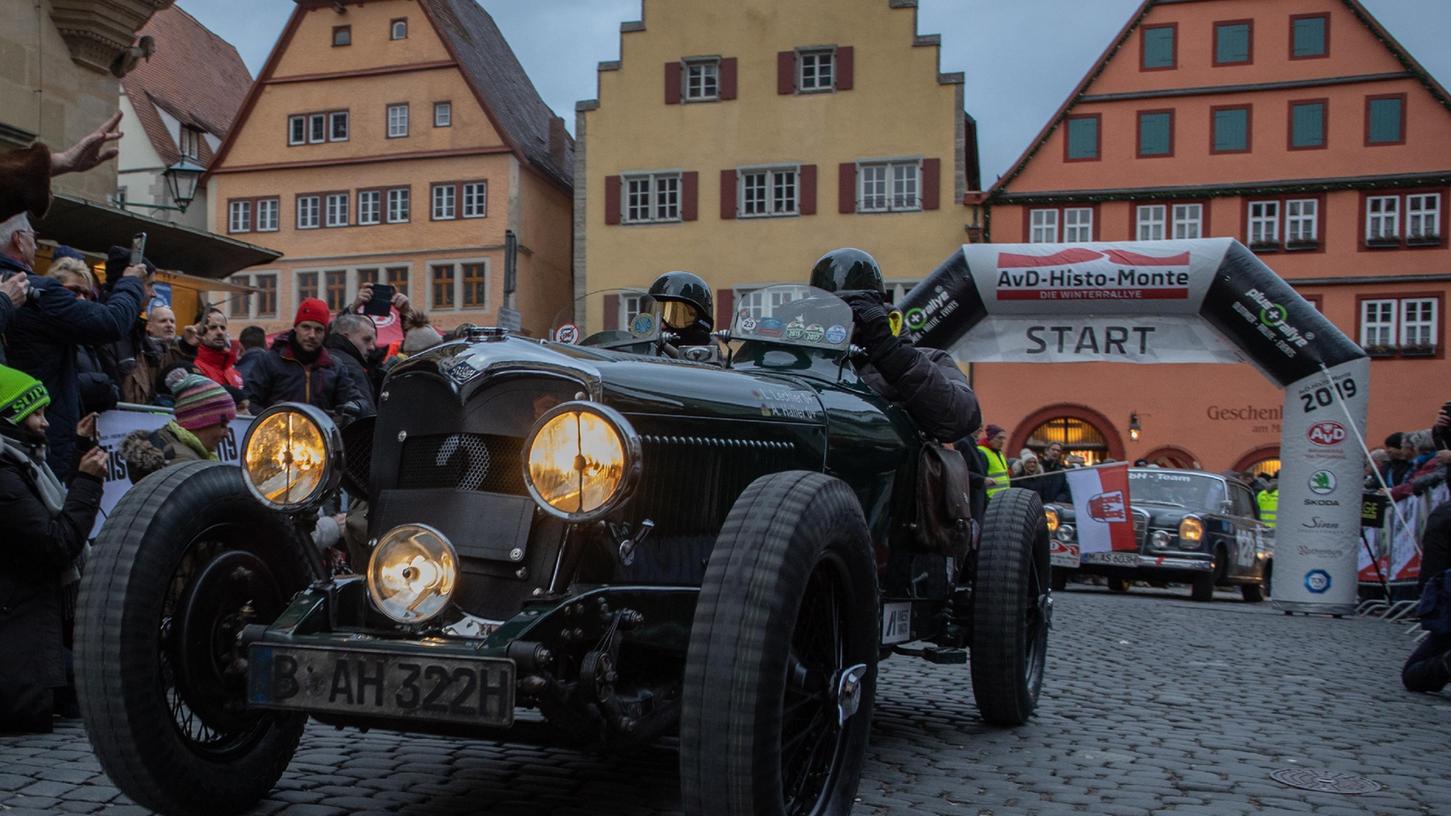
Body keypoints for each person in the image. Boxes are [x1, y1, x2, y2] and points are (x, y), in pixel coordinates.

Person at [0, 365, 107, 732]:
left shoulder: (20, 463)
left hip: (28, 621)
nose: (45, 423)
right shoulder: (4, 474)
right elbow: (56, 544)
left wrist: (80, 451)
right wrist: (88, 482)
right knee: (99, 683)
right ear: (11, 415)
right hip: (17, 632)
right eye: (37, 413)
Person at [5, 220, 145, 479]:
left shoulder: (15, 290)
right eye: (33, 236)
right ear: (17, 239)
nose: (36, 243)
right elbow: (112, 322)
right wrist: (131, 282)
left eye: (86, 293)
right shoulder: (37, 292)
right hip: (36, 440)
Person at [808, 248, 980, 443]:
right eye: (830, 308)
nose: (843, 317)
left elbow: (959, 419)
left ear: (877, 307)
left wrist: (890, 352)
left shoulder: (930, 359)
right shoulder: (807, 360)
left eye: (852, 307)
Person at [245, 298, 365, 414]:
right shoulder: (270, 361)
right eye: (306, 327)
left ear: (325, 333)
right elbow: (250, 401)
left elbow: (356, 400)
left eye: (318, 330)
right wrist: (273, 419)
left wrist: (352, 408)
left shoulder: (335, 367)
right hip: (276, 432)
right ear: (296, 328)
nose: (312, 335)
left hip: (318, 433)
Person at [120, 372, 238, 482]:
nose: (227, 434)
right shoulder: (181, 463)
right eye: (222, 425)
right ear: (198, 421)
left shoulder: (171, 445)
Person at [324, 312, 378, 414]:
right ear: (346, 336)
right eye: (366, 339)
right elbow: (368, 418)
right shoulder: (351, 366)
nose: (372, 347)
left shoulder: (324, 358)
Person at [648, 270, 714, 347]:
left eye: (677, 319)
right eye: (654, 314)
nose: (662, 325)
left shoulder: (709, 356)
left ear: (701, 322)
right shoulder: (638, 353)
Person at [976, 424, 1010, 499]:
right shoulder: (982, 452)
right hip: (990, 498)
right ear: (991, 438)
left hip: (1003, 497)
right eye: (999, 438)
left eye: (1003, 438)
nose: (1002, 442)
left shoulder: (999, 453)